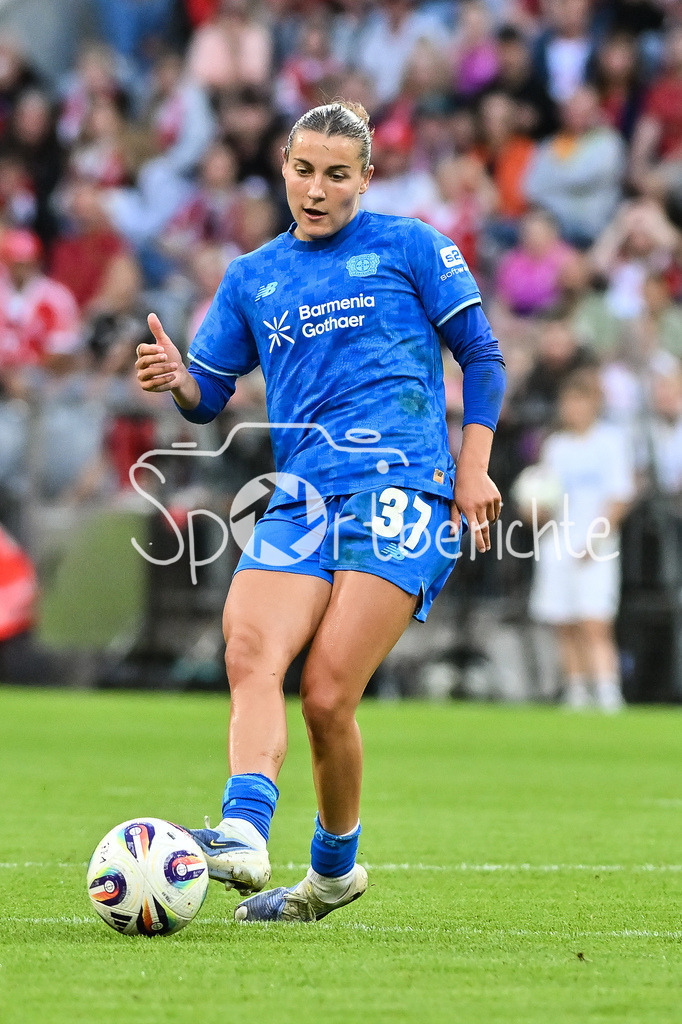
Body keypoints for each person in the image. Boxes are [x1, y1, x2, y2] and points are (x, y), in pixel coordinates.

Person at [135, 101, 506, 923]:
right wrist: (178, 378)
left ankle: (333, 871)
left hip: (402, 487)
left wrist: (474, 469)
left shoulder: (411, 247)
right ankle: (242, 829)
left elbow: (481, 356)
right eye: (304, 170)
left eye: (337, 174)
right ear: (284, 167)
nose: (317, 188)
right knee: (250, 646)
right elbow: (209, 397)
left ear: (365, 178)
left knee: (329, 696)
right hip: (301, 495)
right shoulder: (252, 277)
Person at [526, 369, 635, 711]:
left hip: (595, 545)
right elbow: (547, 496)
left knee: (595, 621)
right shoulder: (556, 446)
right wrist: (534, 512)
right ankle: (575, 690)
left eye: (579, 401)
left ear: (593, 404)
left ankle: (606, 690)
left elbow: (619, 496)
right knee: (565, 621)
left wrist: (597, 538)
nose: (572, 408)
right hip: (557, 543)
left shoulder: (610, 442)